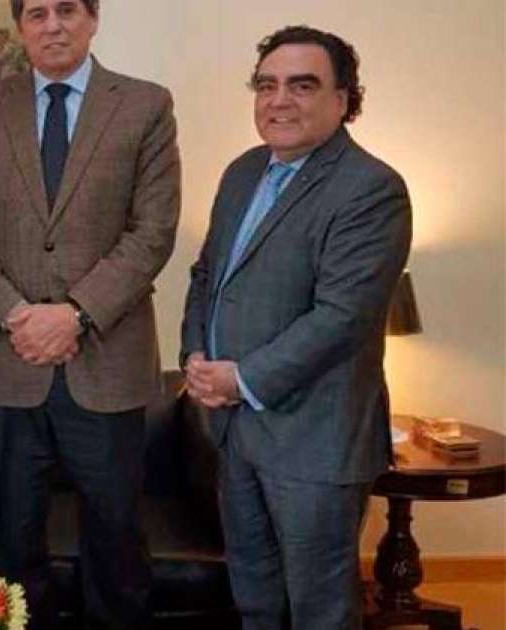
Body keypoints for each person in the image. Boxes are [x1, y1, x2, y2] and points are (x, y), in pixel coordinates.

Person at [0, 0, 181, 626]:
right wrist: (15, 314)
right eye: (38, 13)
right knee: (8, 548)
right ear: (20, 26)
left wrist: (75, 314)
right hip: (7, 365)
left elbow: (153, 231)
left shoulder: (145, 106)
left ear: (93, 18)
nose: (53, 25)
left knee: (115, 546)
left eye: (67, 9)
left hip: (107, 365)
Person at [180, 25, 412, 630]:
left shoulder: (371, 189)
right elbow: (206, 275)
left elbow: (342, 317)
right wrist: (195, 356)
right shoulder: (243, 172)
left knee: (320, 612)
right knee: (255, 602)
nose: (279, 100)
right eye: (266, 85)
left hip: (315, 441)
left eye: (302, 86)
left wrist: (241, 379)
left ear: (343, 99)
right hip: (237, 434)